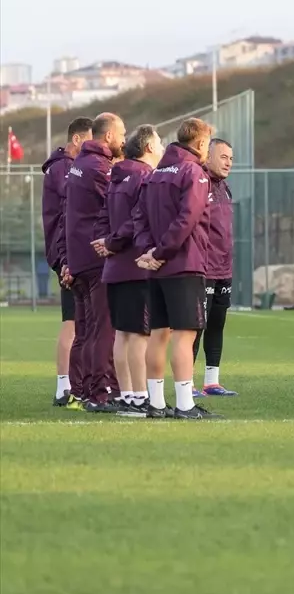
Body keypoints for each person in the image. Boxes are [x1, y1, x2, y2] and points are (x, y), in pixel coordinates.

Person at [133, 118, 222, 420]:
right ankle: (185, 404)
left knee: (158, 334)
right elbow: (188, 219)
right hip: (184, 265)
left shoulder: (156, 173)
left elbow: (139, 218)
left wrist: (150, 252)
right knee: (185, 336)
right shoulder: (193, 172)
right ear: (199, 144)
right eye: (208, 144)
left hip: (156, 267)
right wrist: (160, 252)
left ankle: (156, 403)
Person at [97, 124, 162, 417]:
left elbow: (103, 217)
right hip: (136, 264)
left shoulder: (116, 175)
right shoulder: (145, 176)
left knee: (123, 334)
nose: (162, 148)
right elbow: (138, 220)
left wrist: (106, 243)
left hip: (114, 267)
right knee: (138, 335)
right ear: (148, 147)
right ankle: (138, 397)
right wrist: (113, 242)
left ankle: (127, 395)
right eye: (159, 143)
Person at [64, 112, 126, 413]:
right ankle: (102, 393)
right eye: (122, 133)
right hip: (96, 258)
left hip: (79, 259)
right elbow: (115, 206)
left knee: (89, 329)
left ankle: (90, 390)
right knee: (104, 328)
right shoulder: (100, 169)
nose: (125, 140)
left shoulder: (78, 165)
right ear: (109, 136)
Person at [42, 116, 93, 407]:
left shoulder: (64, 168)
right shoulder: (63, 169)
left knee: (79, 321)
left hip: (70, 253)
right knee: (72, 321)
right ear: (76, 140)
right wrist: (64, 259)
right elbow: (67, 216)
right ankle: (64, 386)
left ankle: (74, 383)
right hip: (68, 255)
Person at [193, 138, 237, 397]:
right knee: (196, 325)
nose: (228, 162)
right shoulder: (199, 183)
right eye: (223, 157)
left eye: (231, 158)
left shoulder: (226, 188)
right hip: (203, 269)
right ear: (207, 157)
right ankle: (188, 383)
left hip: (224, 268)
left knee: (217, 324)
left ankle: (212, 382)